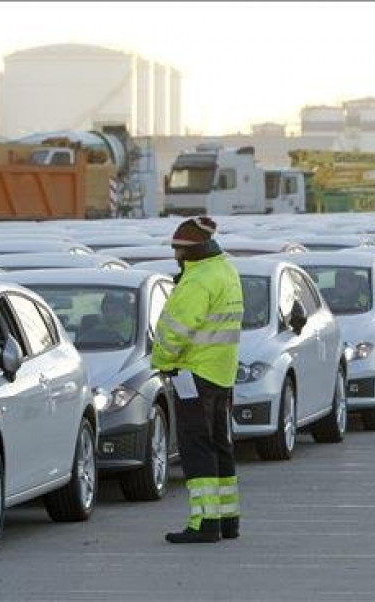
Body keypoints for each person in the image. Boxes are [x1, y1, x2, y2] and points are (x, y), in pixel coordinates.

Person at [151, 216, 244, 544]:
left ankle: (204, 523)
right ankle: (227, 519)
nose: (175, 255)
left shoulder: (198, 281)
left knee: (196, 448)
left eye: (179, 249)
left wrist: (161, 360)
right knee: (220, 445)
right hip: (221, 372)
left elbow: (178, 330)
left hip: (194, 373)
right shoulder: (225, 271)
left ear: (194, 250)